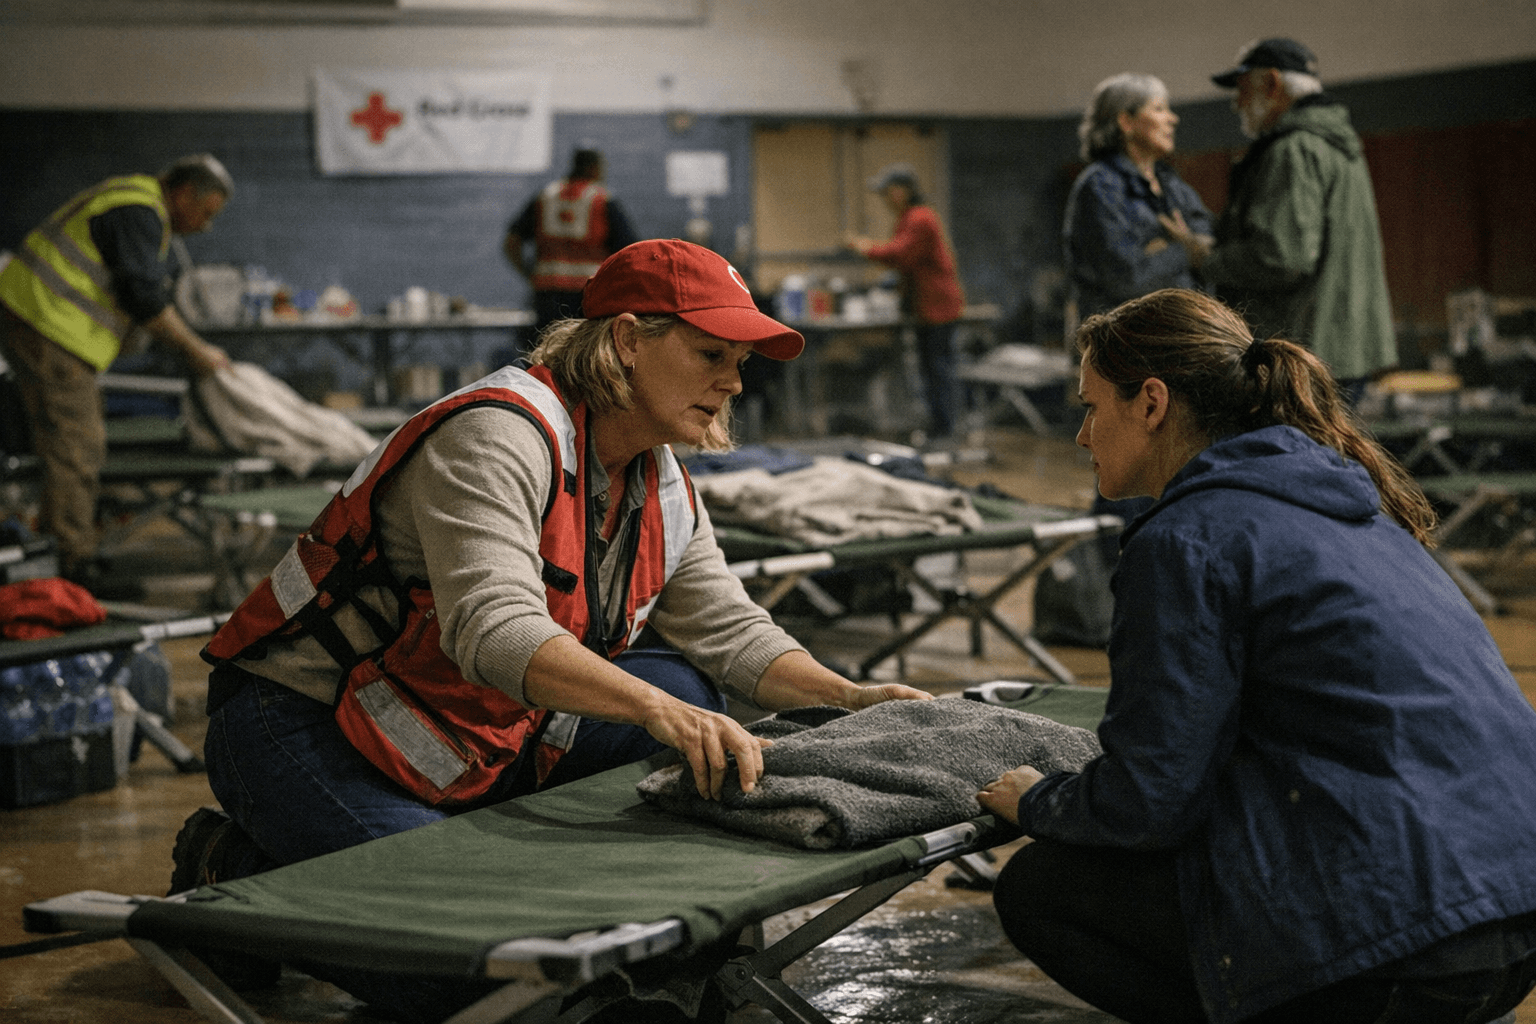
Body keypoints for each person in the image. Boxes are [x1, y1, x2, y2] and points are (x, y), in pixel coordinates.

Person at [175, 238, 931, 1021]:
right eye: (712, 354)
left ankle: (494, 868)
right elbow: (494, 632)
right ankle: (235, 864)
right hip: (301, 722)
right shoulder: (495, 435)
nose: (735, 382)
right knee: (482, 974)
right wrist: (657, 711)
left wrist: (849, 697)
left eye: (740, 362)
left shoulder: (659, 475)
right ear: (628, 340)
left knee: (685, 690)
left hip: (453, 728)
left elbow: (733, 633)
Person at [977, 288, 1536, 1024]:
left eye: (1090, 407)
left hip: (1409, 952)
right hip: (1513, 915)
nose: (1082, 436)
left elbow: (1150, 798)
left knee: (1042, 887)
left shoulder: (1187, 538)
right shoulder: (1351, 505)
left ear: (1152, 403)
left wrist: (1040, 800)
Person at [0, 154, 233, 581]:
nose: (206, 227)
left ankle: (58, 555)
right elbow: (142, 297)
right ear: (184, 194)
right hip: (48, 324)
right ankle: (72, 568)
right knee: (76, 445)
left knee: (71, 443)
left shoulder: (132, 198)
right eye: (206, 213)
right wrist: (195, 350)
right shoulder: (138, 211)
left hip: (38, 318)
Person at [1160, 38, 1396, 402]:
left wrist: (1205, 259)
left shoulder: (1293, 149)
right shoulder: (1336, 144)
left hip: (1303, 358)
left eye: (1242, 89)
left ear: (1272, 84)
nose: (1236, 103)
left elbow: (1283, 257)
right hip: (1342, 350)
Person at [1064, 72, 1214, 320]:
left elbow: (1211, 247)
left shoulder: (1172, 184)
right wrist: (1186, 250)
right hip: (1125, 334)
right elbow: (1126, 278)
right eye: (1159, 109)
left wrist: (1161, 250)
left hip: (1181, 327)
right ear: (1126, 122)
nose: (1173, 119)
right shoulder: (1100, 186)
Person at [846, 163, 966, 441]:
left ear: (904, 190)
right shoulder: (911, 217)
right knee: (931, 369)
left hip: (938, 308)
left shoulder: (920, 218)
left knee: (938, 369)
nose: (886, 199)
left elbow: (899, 254)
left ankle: (945, 430)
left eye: (889, 191)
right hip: (928, 307)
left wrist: (865, 247)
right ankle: (939, 427)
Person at [503, 146, 640, 347]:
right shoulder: (602, 199)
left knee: (547, 348)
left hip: (548, 291)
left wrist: (529, 273)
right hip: (588, 293)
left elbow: (511, 242)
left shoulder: (545, 196)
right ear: (594, 168)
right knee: (585, 350)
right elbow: (628, 252)